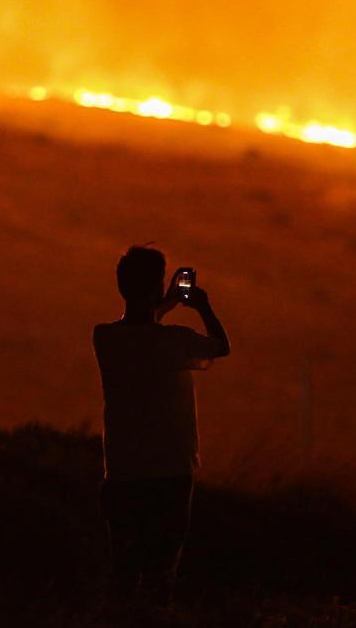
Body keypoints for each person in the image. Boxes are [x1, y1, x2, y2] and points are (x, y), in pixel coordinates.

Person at [92, 245, 231, 605]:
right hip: (170, 471)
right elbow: (220, 346)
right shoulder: (176, 341)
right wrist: (200, 306)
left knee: (123, 571)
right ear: (156, 289)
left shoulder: (105, 338)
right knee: (160, 574)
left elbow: (140, 327)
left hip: (122, 472)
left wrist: (162, 303)